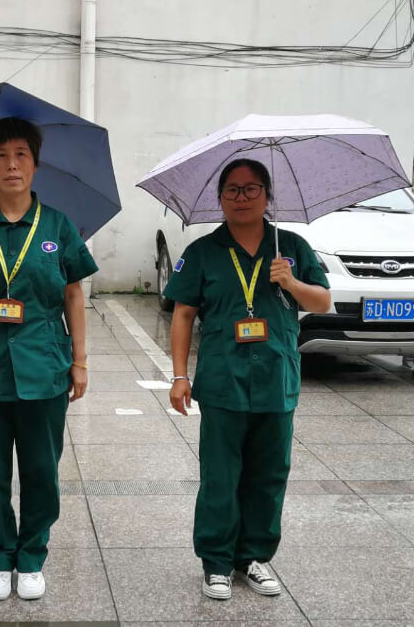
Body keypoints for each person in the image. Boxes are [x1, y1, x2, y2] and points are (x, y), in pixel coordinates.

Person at [0, 117, 97, 601]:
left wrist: (80, 360)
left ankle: (31, 555)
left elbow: (73, 293)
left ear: (35, 163)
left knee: (41, 468)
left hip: (44, 363)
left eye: (21, 155)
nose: (12, 165)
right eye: (1, 156)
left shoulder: (57, 225)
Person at [163, 158, 331, 600]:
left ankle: (254, 557)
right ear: (220, 198)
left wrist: (292, 282)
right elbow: (182, 314)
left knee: (269, 474)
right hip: (222, 381)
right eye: (232, 190)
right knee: (220, 475)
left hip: (277, 380)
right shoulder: (202, 252)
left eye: (251, 188)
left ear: (267, 195)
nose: (241, 197)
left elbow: (323, 301)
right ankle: (217, 562)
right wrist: (179, 375)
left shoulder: (291, 246)